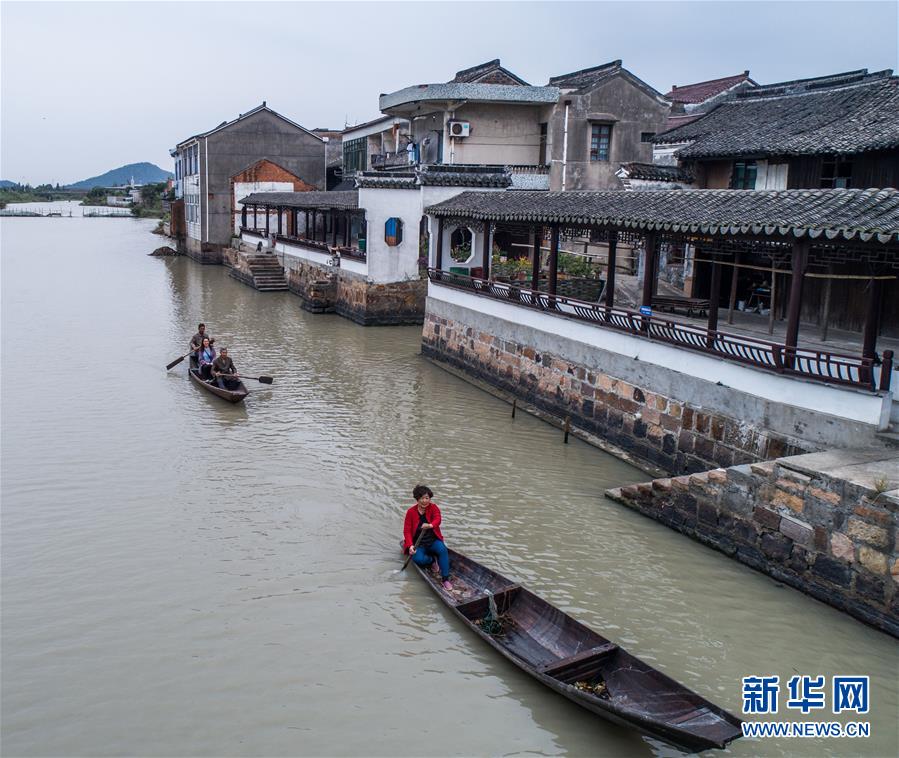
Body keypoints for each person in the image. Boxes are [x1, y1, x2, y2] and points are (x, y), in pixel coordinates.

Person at [403, 484, 452, 590]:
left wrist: (430, 525)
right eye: (422, 498)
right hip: (418, 543)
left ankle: (445, 579)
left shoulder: (433, 508)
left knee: (443, 550)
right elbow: (407, 531)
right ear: (417, 499)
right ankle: (432, 561)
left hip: (433, 541)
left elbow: (438, 519)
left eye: (427, 498)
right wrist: (410, 545)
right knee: (419, 560)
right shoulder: (410, 512)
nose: (425, 501)